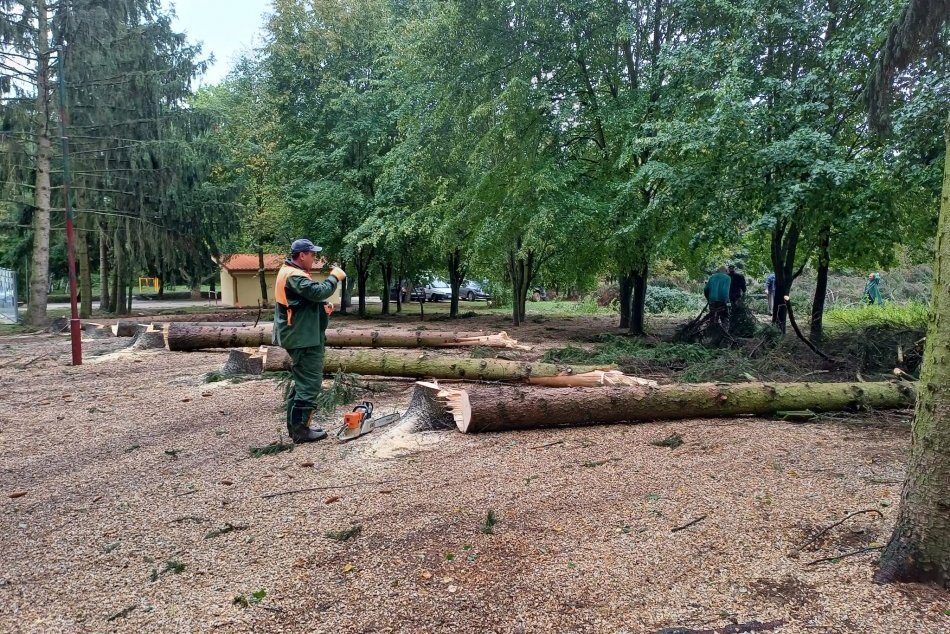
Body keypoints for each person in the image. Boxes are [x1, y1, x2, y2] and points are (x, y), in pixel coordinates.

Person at [273, 239, 347, 443]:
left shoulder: (290, 272)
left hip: (301, 335)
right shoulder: (293, 275)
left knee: (302, 383)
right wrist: (334, 277)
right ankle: (300, 431)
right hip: (302, 338)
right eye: (312, 254)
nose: (314, 259)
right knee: (310, 384)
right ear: (302, 255)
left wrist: (321, 309)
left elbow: (306, 301)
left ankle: (297, 428)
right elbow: (317, 291)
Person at [704, 266, 732, 333]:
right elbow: (725, 291)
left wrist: (708, 298)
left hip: (712, 300)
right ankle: (725, 334)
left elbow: (705, 289)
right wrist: (728, 303)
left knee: (712, 316)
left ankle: (711, 333)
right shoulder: (727, 278)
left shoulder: (712, 277)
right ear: (725, 271)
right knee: (725, 318)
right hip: (722, 301)